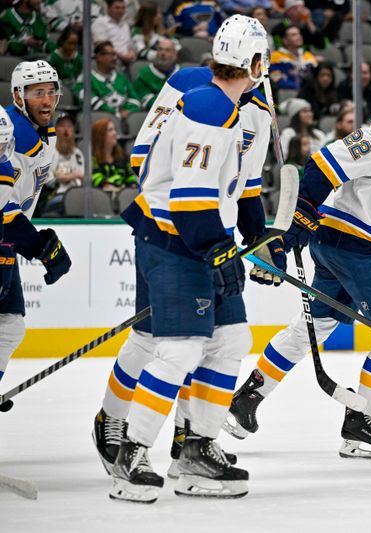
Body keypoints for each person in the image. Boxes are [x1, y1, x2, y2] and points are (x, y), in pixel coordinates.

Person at [224, 66, 371, 461]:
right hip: (356, 242)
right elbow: (322, 165)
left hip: (346, 244)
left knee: (313, 327)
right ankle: (360, 423)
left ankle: (245, 399)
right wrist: (298, 222)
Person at [94, 16, 282, 503]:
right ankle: (131, 455)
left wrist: (259, 238)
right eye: (264, 59)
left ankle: (197, 448)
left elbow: (238, 188)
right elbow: (190, 198)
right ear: (255, 62)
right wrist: (217, 248)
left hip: (199, 237)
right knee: (178, 349)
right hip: (173, 240)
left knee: (231, 339)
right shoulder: (206, 106)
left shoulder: (237, 107)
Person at [0, 61, 72, 389]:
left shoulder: (46, 133)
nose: (47, 100)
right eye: (37, 93)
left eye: (51, 92)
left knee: (10, 326)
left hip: (7, 240)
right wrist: (39, 246)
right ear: (18, 95)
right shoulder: (9, 133)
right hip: (7, 232)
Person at [75, 41, 142, 120]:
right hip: (99, 122)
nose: (115, 58)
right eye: (110, 55)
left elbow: (135, 100)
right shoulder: (85, 79)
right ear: (99, 57)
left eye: (115, 54)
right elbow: (90, 101)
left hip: (125, 120)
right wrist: (116, 113)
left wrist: (128, 111)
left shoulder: (122, 78)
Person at [42, 114, 84, 215]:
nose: (66, 130)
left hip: (77, 195)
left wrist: (65, 177)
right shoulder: (50, 151)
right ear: (54, 129)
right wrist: (72, 176)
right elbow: (48, 181)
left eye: (69, 126)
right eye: (62, 126)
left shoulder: (78, 153)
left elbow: (83, 177)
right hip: (55, 196)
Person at [90, 118, 137, 191]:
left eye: (115, 129)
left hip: (123, 195)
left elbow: (131, 177)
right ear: (100, 135)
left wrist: (132, 186)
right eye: (110, 130)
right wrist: (112, 187)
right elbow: (96, 178)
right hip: (102, 196)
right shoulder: (92, 158)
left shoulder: (123, 156)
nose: (115, 133)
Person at [134, 38, 180, 109]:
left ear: (174, 54)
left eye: (167, 50)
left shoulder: (182, 73)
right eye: (160, 49)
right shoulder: (145, 73)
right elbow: (145, 101)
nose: (163, 53)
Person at [270, 24, 318, 89]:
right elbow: (277, 80)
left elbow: (317, 77)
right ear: (285, 40)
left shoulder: (308, 56)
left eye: (299, 34)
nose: (299, 37)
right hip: (286, 93)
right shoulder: (275, 57)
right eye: (294, 35)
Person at [92, 0, 137, 64]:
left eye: (123, 8)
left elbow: (130, 45)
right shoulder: (100, 23)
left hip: (128, 60)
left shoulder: (125, 25)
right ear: (108, 8)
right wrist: (124, 57)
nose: (120, 11)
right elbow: (102, 47)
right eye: (117, 8)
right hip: (110, 60)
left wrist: (132, 53)